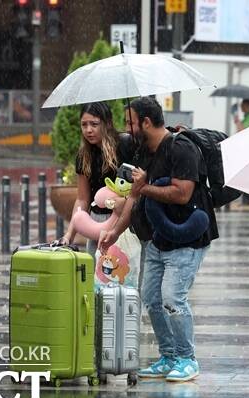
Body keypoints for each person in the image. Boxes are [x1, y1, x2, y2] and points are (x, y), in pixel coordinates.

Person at [99, 97, 218, 382]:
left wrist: (145, 186)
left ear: (147, 122)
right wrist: (115, 232)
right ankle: (169, 356)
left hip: (186, 237)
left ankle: (188, 359)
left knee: (172, 299)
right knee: (151, 298)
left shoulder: (181, 148)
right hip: (155, 238)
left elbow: (182, 193)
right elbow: (134, 197)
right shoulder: (143, 151)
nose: (127, 128)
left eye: (130, 122)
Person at [61, 101, 135, 256]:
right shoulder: (84, 156)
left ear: (107, 123)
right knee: (96, 275)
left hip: (123, 218)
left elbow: (139, 184)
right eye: (84, 125)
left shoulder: (125, 144)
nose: (88, 130)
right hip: (96, 221)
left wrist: (127, 200)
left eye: (94, 124)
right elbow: (82, 199)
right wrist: (69, 235)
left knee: (123, 273)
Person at [234, 98, 249, 205]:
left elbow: (242, 131)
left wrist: (237, 121)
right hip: (247, 149)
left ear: (248, 105)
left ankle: (248, 200)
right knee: (246, 174)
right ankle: (247, 200)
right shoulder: (247, 117)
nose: (241, 107)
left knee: (247, 174)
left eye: (243, 105)